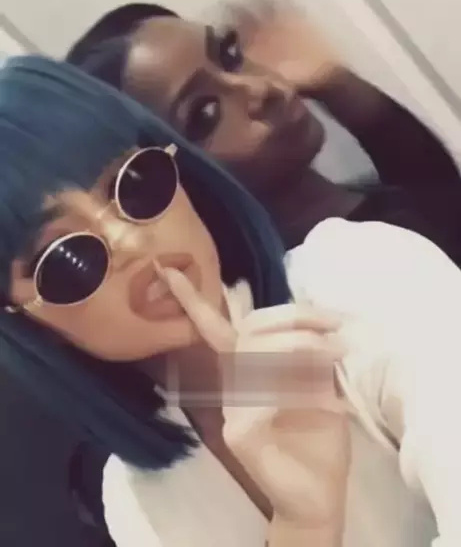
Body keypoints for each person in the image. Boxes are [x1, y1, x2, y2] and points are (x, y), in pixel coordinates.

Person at [0, 55, 457, 547]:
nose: (129, 240)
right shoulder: (138, 500)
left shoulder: (359, 278)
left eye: (135, 184)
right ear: (28, 324)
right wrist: (303, 527)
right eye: (65, 258)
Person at [66, 0, 461, 265]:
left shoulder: (368, 207)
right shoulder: (324, 288)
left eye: (230, 56)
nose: (259, 89)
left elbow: (437, 193)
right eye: (205, 113)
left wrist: (336, 83)